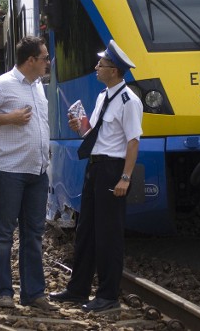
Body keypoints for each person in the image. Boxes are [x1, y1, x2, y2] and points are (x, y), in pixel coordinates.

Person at [49, 40, 143, 312]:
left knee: (109, 235)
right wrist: (81, 127)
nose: (96, 67)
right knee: (86, 230)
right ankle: (77, 289)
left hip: (113, 170)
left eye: (101, 64)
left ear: (114, 70)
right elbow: (97, 135)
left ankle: (108, 296)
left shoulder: (129, 101)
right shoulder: (104, 96)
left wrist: (125, 178)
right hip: (96, 167)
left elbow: (133, 142)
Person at [0, 36, 56, 312]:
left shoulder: (39, 87)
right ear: (31, 61)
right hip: (8, 170)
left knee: (33, 234)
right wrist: (9, 118)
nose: (47, 62)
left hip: (37, 172)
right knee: (4, 233)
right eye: (44, 58)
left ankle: (33, 293)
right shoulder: (1, 85)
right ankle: (2, 291)